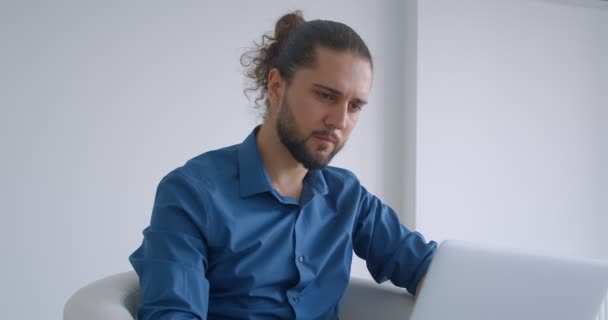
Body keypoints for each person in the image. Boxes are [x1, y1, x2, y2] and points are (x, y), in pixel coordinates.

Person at [129, 10, 437, 320]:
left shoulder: (348, 196)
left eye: (354, 106)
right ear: (276, 86)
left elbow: (427, 269)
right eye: (326, 96)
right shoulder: (191, 194)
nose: (340, 121)